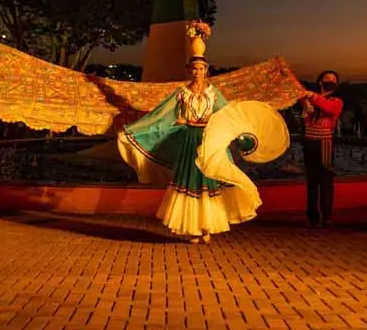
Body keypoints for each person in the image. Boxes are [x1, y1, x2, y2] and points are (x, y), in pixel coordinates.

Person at [118, 54, 276, 244]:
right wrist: (137, 129)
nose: (198, 72)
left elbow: (227, 114)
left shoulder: (213, 93)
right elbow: (160, 115)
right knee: (191, 181)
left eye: (201, 69)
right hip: (189, 141)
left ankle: (207, 226)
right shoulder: (181, 93)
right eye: (194, 68)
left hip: (209, 140)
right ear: (189, 71)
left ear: (206, 71)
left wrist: (243, 132)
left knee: (209, 181)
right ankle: (193, 228)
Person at [301, 71, 344, 228]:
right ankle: (312, 216)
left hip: (325, 143)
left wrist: (311, 96)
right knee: (311, 180)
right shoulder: (310, 100)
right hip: (309, 142)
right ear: (320, 82)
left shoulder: (336, 101)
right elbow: (306, 118)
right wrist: (305, 101)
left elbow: (329, 108)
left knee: (325, 180)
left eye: (334, 80)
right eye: (328, 79)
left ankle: (326, 215)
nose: (331, 81)